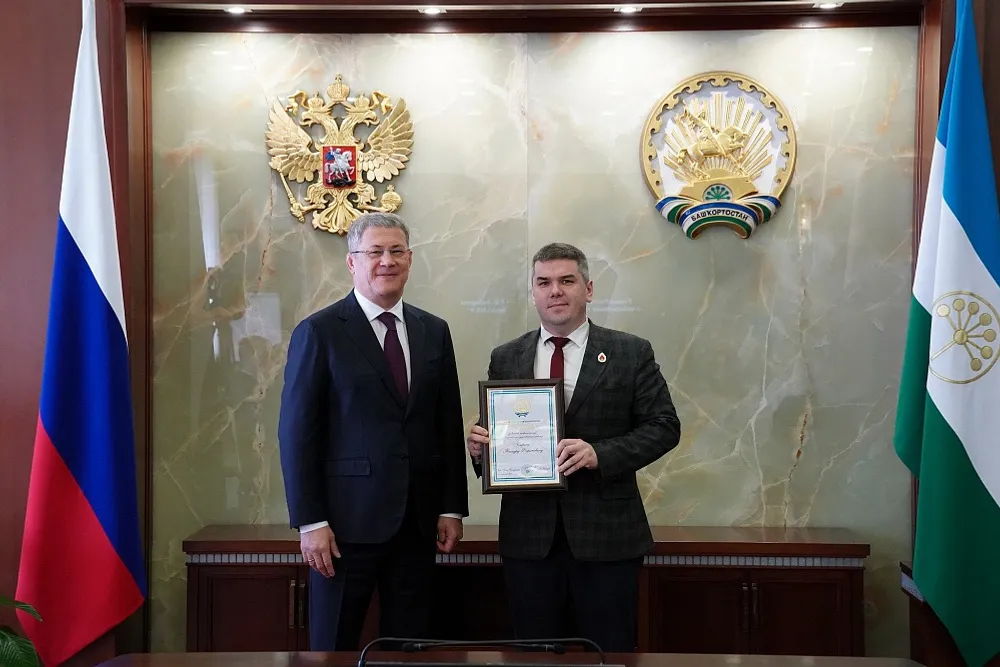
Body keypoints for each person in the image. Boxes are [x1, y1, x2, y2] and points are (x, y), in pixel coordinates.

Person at [467, 242, 680, 653]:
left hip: (607, 538)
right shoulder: (507, 356)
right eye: (543, 282)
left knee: (609, 653)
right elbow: (501, 431)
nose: (555, 291)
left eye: (567, 280)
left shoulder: (630, 352)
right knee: (534, 657)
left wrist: (601, 454)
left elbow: (664, 426)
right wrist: (481, 450)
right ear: (533, 292)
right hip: (529, 540)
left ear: (589, 288)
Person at [278, 212, 468, 650]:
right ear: (352, 262)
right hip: (343, 528)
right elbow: (297, 435)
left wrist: (451, 507)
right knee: (333, 647)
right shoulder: (319, 331)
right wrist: (310, 521)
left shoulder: (433, 331)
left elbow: (446, 422)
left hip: (418, 524)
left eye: (396, 251)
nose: (387, 261)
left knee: (410, 649)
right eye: (375, 252)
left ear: (410, 259)